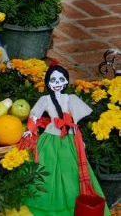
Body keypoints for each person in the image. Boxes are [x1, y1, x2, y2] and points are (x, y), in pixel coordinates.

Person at [23, 65, 109, 215]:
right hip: (50, 138)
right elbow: (34, 115)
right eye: (53, 80)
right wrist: (30, 130)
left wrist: (79, 140)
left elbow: (75, 121)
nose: (57, 82)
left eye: (61, 79)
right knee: (45, 167)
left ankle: (73, 205)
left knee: (71, 170)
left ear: (66, 82)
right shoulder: (45, 99)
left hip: (69, 138)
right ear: (48, 83)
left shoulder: (71, 99)